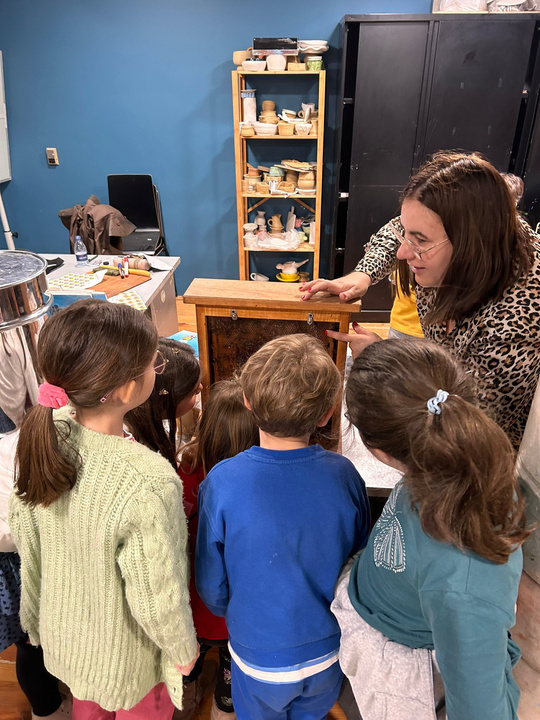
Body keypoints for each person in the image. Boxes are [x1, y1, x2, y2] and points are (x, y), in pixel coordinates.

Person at [9, 299, 198, 719]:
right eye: (155, 364)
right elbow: (157, 595)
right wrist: (183, 649)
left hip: (69, 643)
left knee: (87, 709)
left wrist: (37, 620)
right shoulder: (148, 479)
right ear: (129, 389)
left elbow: (28, 545)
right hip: (131, 663)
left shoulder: (43, 434)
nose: (158, 369)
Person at [332, 338, 531, 720]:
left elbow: (482, 709)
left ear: (379, 451)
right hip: (391, 605)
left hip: (403, 654)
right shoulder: (460, 454)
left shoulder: (463, 589)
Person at [301, 152, 540, 448]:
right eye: (407, 234)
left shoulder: (517, 317)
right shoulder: (460, 240)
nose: (403, 252)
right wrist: (363, 274)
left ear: (470, 243)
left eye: (421, 241)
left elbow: (461, 424)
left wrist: (387, 363)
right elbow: (396, 230)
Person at [195, 334, 370, 720]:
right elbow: (357, 563)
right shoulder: (346, 476)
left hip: (256, 653)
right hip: (328, 650)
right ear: (327, 413)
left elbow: (212, 586)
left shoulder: (221, 483)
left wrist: (241, 612)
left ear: (247, 401)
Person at [178, 379, 259, 720]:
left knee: (188, 664)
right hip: (231, 621)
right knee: (230, 671)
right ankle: (224, 704)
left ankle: (186, 693)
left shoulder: (184, 470)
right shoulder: (254, 492)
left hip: (186, 614)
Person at [0, 429, 71, 719]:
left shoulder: (13, 442)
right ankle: (47, 710)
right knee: (32, 645)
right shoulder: (22, 446)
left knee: (34, 644)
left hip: (24, 563)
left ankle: (49, 701)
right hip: (19, 569)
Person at [125, 337, 202, 466]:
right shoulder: (142, 454)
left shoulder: (143, 420)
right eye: (193, 391)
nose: (201, 388)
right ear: (166, 401)